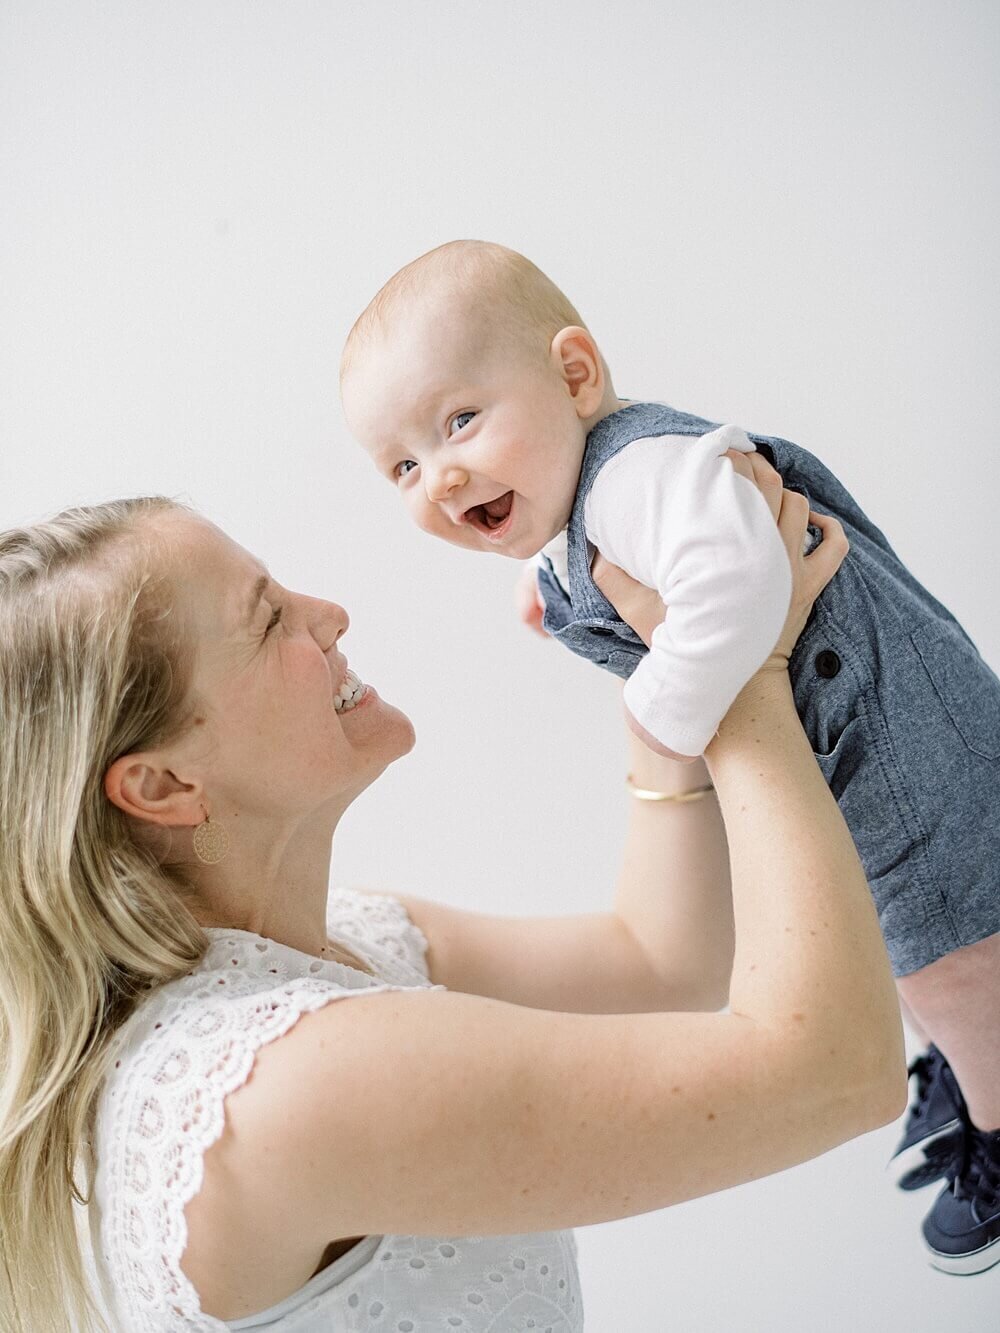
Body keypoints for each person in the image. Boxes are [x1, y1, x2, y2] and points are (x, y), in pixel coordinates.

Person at [0, 483, 903, 1333]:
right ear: (164, 784)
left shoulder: (344, 947)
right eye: (269, 617)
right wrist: (742, 660)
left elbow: (660, 961)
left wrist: (667, 692)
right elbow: (837, 1069)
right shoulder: (284, 1082)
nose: (329, 614)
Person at [340, 240, 1000, 1272]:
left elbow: (738, 586)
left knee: (954, 957)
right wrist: (552, 592)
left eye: (460, 419)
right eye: (405, 466)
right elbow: (646, 567)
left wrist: (657, 715)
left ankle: (997, 1117)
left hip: (908, 746)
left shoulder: (637, 474)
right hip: (861, 755)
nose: (442, 473)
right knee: (918, 946)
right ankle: (970, 1059)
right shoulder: (591, 507)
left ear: (573, 375)